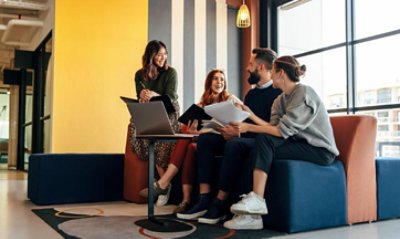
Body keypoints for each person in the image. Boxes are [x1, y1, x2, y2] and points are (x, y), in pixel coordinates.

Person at [223, 55, 339, 230]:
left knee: (262, 141)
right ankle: (253, 216)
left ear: (281, 73)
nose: (270, 75)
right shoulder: (280, 100)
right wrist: (249, 116)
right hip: (298, 143)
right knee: (257, 147)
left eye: (273, 71)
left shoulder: (304, 93)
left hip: (320, 150)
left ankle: (257, 202)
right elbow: (273, 128)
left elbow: (280, 131)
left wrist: (248, 128)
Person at [176, 48, 282, 225]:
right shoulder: (251, 94)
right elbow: (241, 120)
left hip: (262, 141)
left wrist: (239, 132)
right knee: (206, 140)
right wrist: (231, 129)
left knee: (234, 145)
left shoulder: (278, 94)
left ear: (261, 67)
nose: (248, 68)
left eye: (251, 64)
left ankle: (220, 203)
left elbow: (272, 129)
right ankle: (204, 198)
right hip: (244, 135)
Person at [139, 68, 242, 211]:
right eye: (216, 79)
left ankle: (164, 183)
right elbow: (193, 127)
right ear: (209, 83)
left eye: (222, 80)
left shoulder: (231, 99)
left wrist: (208, 129)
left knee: (190, 142)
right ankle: (185, 200)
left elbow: (241, 116)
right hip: (204, 140)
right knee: (188, 143)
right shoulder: (201, 105)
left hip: (222, 140)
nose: (219, 82)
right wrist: (195, 130)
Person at [129, 40, 180, 206]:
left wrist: (153, 94)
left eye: (165, 54)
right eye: (159, 54)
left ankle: (163, 185)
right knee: (135, 126)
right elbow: (139, 96)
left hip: (169, 110)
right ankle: (163, 184)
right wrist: (143, 95)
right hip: (150, 109)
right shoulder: (139, 74)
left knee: (160, 136)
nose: (163, 57)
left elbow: (170, 97)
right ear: (150, 56)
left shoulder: (171, 72)